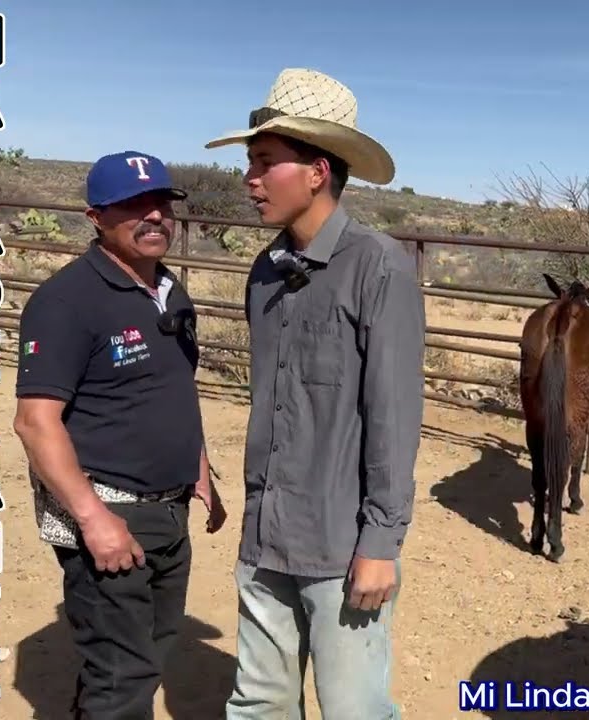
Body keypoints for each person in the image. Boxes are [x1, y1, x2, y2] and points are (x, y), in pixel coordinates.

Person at [204, 68, 425, 719]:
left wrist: (381, 541)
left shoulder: (378, 266)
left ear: (317, 171)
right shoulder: (264, 274)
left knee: (354, 710)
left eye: (265, 163)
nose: (249, 178)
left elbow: (393, 414)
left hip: (341, 545)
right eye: (250, 162)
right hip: (266, 535)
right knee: (259, 704)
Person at [13, 150, 227, 719]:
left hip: (170, 510)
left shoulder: (170, 292)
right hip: (111, 514)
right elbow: (36, 423)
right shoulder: (66, 302)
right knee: (121, 679)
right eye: (133, 206)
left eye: (161, 204)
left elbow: (172, 386)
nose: (153, 216)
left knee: (144, 655)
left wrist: (199, 468)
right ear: (96, 217)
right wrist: (93, 519)